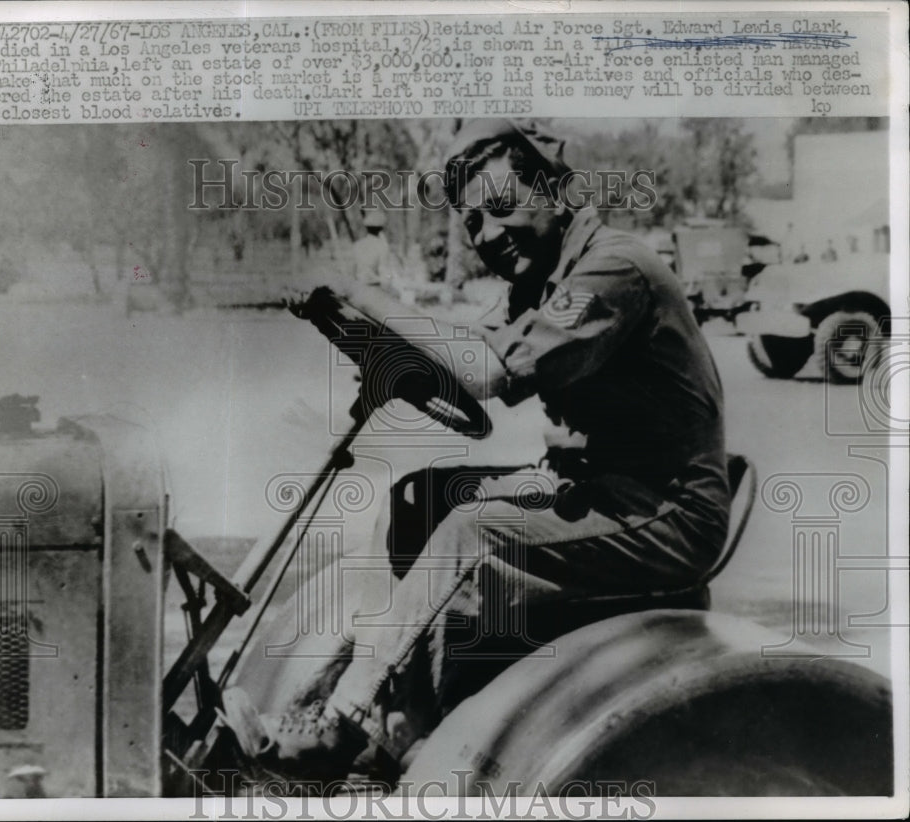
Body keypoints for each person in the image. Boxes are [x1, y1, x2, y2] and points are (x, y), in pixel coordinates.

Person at [227, 119, 731, 781]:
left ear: (552, 191)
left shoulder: (610, 270)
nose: (489, 235)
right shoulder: (543, 282)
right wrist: (348, 326)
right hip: (595, 486)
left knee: (472, 528)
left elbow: (489, 372)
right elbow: (455, 358)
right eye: (472, 224)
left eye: (501, 208)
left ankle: (343, 720)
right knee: (418, 499)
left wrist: (363, 293)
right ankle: (404, 720)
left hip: (665, 509)